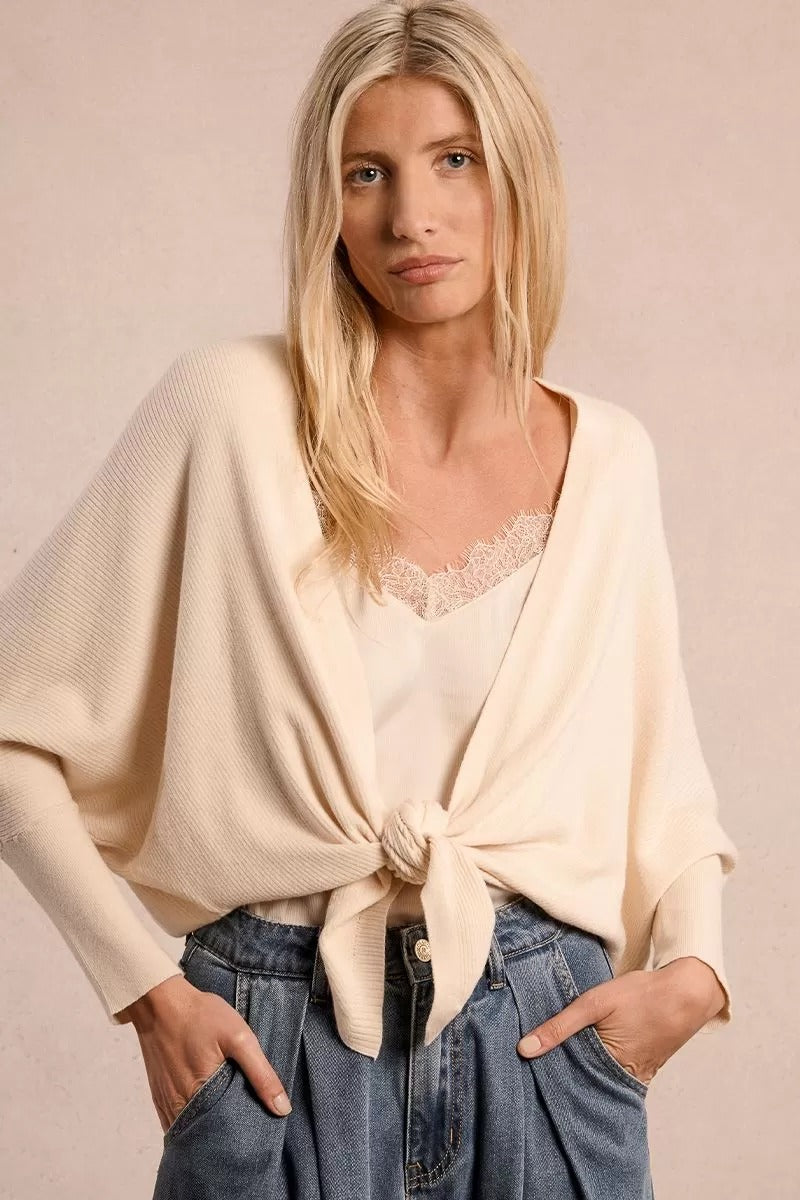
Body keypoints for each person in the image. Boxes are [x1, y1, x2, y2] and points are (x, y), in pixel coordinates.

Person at [0, 2, 739, 1196]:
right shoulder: (227, 412)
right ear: (327, 203)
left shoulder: (608, 461)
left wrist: (693, 973)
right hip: (276, 1038)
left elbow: (665, 783)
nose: (410, 217)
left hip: (542, 1037)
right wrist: (144, 988)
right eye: (366, 172)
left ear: (518, 180)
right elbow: (11, 727)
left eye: (455, 160)